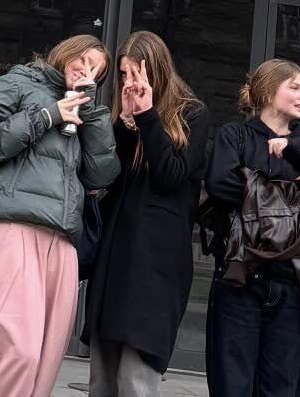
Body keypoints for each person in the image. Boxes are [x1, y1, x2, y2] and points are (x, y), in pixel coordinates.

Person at [0, 32, 121, 397]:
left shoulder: (88, 109)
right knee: (15, 351)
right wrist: (49, 115)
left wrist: (93, 113)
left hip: (63, 238)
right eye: (82, 61)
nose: (86, 71)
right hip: (14, 225)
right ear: (65, 54)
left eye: (96, 69)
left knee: (46, 358)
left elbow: (102, 175)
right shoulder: (20, 82)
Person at [204, 58, 300, 397]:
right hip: (239, 279)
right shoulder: (237, 134)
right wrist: (299, 198)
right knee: (232, 385)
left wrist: (298, 156)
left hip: (291, 286)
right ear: (269, 90)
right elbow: (218, 184)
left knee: (279, 389)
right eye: (295, 87)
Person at [83, 31, 210, 397]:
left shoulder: (193, 114)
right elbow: (111, 176)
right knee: (101, 382)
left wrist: (149, 117)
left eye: (135, 74)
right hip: (115, 260)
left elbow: (171, 176)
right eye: (123, 75)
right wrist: (124, 126)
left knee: (136, 382)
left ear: (156, 69)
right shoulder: (127, 120)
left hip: (156, 268)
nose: (129, 83)